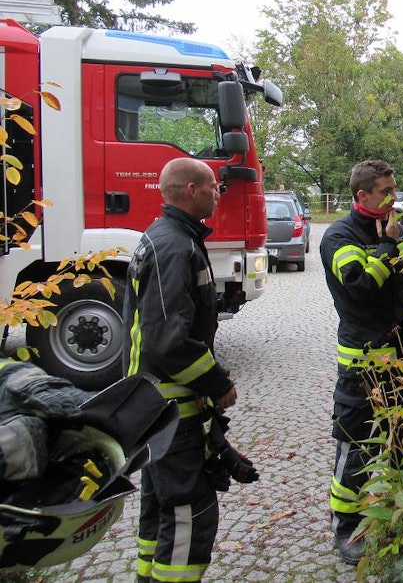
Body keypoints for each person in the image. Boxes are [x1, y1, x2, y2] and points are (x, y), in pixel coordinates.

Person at [123, 157, 256, 583]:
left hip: (158, 408)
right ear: (191, 191)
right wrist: (216, 382)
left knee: (160, 507)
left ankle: (149, 575)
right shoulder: (174, 246)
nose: (219, 193)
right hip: (172, 412)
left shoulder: (169, 238)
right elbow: (168, 339)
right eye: (214, 187)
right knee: (188, 516)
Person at [319, 159, 403, 566]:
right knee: (357, 450)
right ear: (361, 196)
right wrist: (386, 246)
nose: (393, 198)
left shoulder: (393, 232)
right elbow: (361, 290)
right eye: (385, 192)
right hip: (363, 365)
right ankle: (346, 527)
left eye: (394, 189)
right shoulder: (339, 237)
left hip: (402, 358)